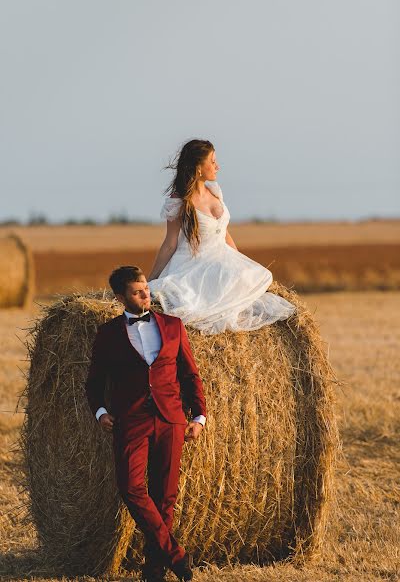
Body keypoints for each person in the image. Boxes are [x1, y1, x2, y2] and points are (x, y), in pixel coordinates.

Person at [85, 266, 206, 582]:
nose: (146, 296)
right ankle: (177, 556)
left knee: (165, 497)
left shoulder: (173, 326)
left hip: (171, 419)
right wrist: (100, 412)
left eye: (147, 290)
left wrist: (199, 416)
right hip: (131, 420)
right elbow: (95, 380)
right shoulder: (108, 334)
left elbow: (190, 374)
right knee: (131, 487)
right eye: (138, 292)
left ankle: (154, 570)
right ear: (120, 297)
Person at [148, 139, 296, 335]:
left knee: (251, 276)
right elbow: (170, 244)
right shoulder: (179, 201)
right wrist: (150, 280)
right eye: (213, 161)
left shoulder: (215, 192)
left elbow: (225, 233)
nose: (218, 166)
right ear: (198, 167)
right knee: (197, 303)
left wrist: (240, 262)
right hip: (194, 264)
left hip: (221, 257)